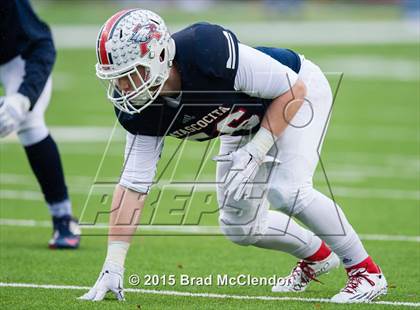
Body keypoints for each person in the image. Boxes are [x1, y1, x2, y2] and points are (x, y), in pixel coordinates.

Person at [79, 9, 387, 303]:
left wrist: (257, 150)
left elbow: (293, 89)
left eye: (131, 73)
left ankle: (366, 271)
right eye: (116, 77)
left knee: (288, 191)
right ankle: (317, 257)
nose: (122, 87)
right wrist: (113, 265)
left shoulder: (206, 51)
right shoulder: (140, 109)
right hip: (243, 122)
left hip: (296, 91)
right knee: (240, 227)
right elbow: (133, 184)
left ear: (159, 56)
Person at [0, 0, 80, 249]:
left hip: (15, 59)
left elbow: (42, 46)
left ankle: (63, 217)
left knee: (29, 123)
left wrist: (23, 98)